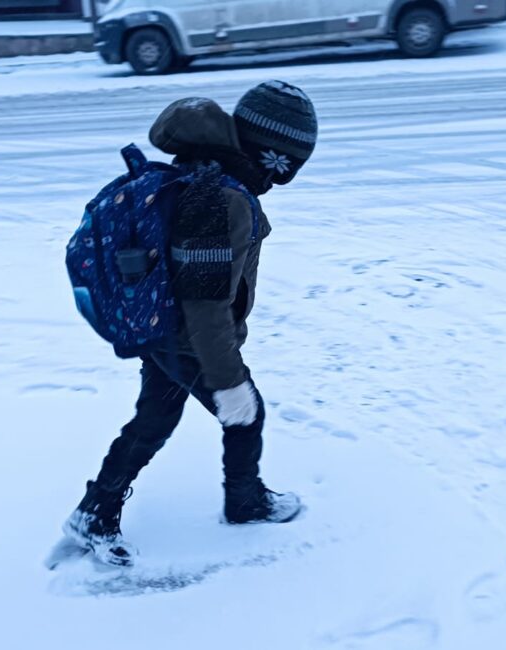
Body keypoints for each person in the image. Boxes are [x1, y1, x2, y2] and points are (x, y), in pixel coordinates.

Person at [62, 81, 318, 566]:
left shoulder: (208, 172)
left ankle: (95, 511)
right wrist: (228, 381)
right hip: (187, 337)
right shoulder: (222, 199)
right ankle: (245, 502)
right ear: (273, 155)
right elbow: (206, 304)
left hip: (164, 329)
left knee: (154, 419)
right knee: (246, 414)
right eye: (289, 167)